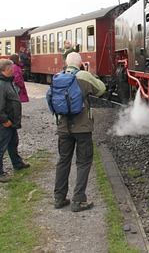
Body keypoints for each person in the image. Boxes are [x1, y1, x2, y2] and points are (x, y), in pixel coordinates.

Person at [54, 52, 106, 211]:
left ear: (66, 63)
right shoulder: (84, 75)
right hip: (82, 127)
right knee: (83, 163)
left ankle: (59, 198)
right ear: (81, 63)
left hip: (63, 127)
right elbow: (101, 90)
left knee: (63, 161)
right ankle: (78, 200)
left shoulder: (58, 76)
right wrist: (89, 72)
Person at [0, 58, 30, 183]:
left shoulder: (5, 82)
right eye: (11, 68)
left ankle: (17, 163)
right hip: (2, 123)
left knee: (13, 143)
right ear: (7, 69)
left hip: (10, 122)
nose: (13, 70)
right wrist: (4, 120)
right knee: (0, 147)